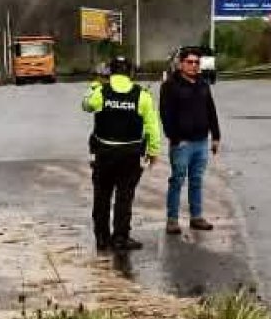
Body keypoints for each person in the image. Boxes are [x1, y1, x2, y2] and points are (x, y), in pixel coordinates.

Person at [80, 55, 161, 252]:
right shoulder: (142, 95)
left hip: (104, 154)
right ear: (131, 73)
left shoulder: (100, 92)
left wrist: (93, 86)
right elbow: (152, 126)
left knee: (102, 197)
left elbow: (86, 106)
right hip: (130, 155)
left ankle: (102, 238)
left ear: (110, 73)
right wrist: (153, 151)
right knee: (124, 197)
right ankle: (120, 237)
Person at [160, 46, 221, 235]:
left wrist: (216, 136)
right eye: (190, 62)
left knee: (196, 180)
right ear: (181, 64)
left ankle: (196, 217)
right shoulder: (170, 86)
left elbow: (211, 110)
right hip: (182, 144)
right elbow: (165, 114)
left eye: (197, 62)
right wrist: (175, 138)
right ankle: (172, 219)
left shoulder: (203, 83)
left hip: (201, 142)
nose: (194, 66)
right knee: (177, 180)